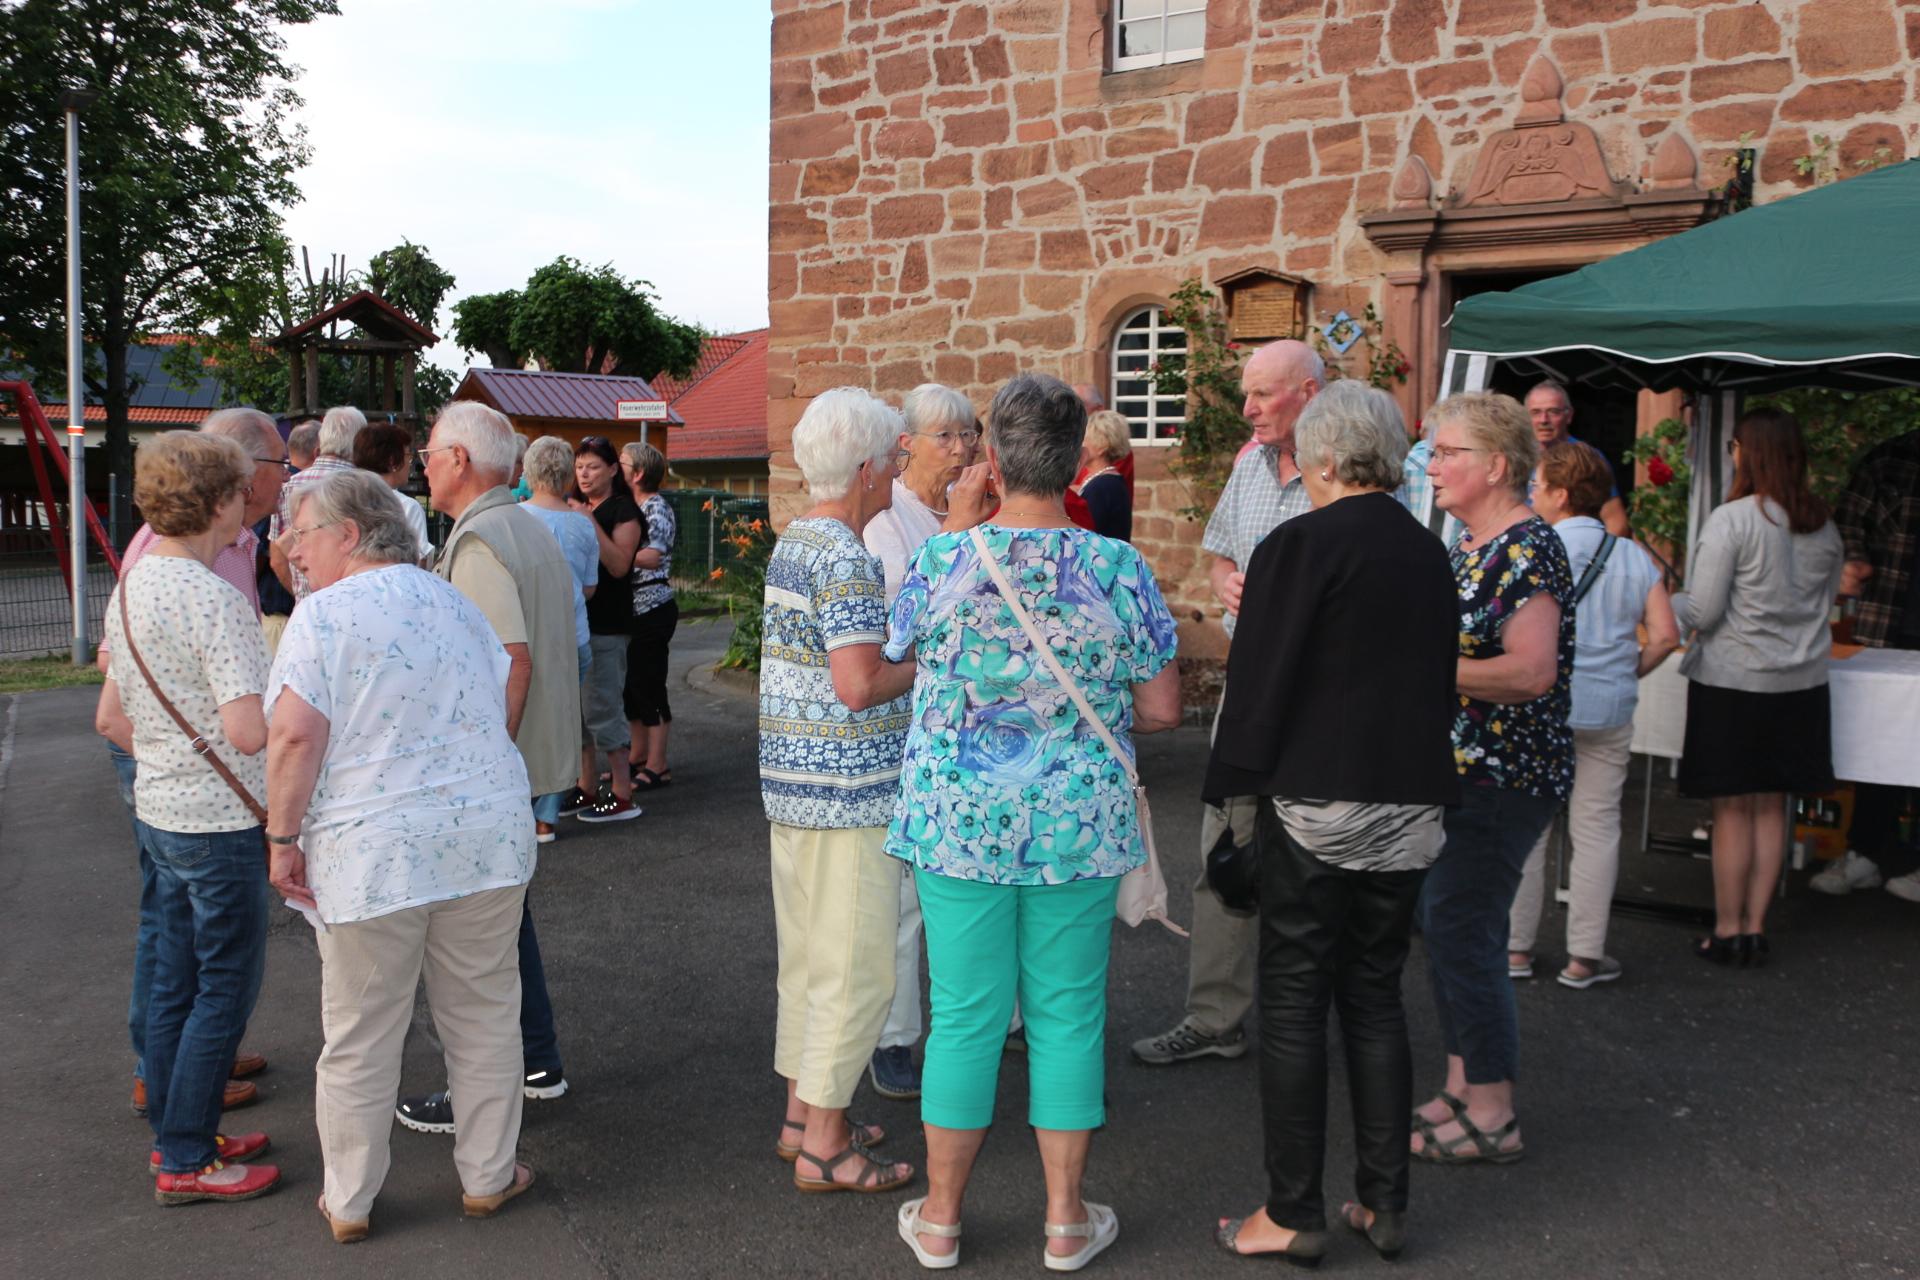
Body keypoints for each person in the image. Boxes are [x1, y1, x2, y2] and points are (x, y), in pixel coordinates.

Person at [889, 373, 1181, 1271]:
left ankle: (940, 1218)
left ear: (989, 457)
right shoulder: (1119, 567)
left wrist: (956, 522)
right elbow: (1164, 707)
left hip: (957, 824)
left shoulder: (941, 559)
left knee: (966, 1018)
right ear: (1076, 460)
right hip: (1077, 825)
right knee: (1065, 1017)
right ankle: (1063, 1219)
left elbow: (897, 647)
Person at [1205, 382, 1458, 1264]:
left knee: (1293, 1001)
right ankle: (1384, 1204)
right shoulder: (1430, 553)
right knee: (1377, 996)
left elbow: (1261, 681)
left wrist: (1228, 796)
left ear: (1319, 460)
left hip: (1318, 803)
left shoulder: (1299, 544)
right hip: (1414, 803)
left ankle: (1293, 1212)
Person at [265, 469, 538, 1241]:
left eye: (304, 532)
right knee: (483, 1016)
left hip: (374, 850)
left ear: (349, 534)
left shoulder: (320, 619)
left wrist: (283, 839)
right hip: (484, 839)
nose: (292, 548)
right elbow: (498, 689)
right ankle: (488, 1177)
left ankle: (349, 1200)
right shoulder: (454, 601)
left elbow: (292, 735)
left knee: (360, 1031)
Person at [93, 431, 279, 1206]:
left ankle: (181, 1133)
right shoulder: (215, 598)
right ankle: (187, 1158)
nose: (251, 504)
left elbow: (111, 716)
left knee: (175, 980)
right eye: (241, 491)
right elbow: (249, 731)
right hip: (220, 824)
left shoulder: (134, 584)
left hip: (161, 811)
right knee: (223, 988)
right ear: (217, 501)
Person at [393, 403, 585, 1137]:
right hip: (529, 755)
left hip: (496, 765)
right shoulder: (522, 527)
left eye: (433, 452)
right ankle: (536, 1064)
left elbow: (512, 660)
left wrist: (482, 762)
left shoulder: (480, 541)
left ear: (462, 460)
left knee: (473, 944)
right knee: (504, 924)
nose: (425, 464)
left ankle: (491, 1086)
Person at [1133, 337, 1323, 1067]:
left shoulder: (1346, 477)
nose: (1247, 409)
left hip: (1314, 700)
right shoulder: (1248, 463)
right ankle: (1215, 1020)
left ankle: (1304, 1027)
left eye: (1263, 395)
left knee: (1313, 863)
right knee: (1224, 850)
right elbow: (1217, 554)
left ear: (1308, 391)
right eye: (1247, 394)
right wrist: (1222, 581)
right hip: (1250, 692)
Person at [1409, 391, 1574, 1167]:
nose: (1432, 466)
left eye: (1447, 453)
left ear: (1497, 465)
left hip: (1504, 777)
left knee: (1462, 928)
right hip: (1465, 771)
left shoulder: (1527, 547)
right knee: (1447, 929)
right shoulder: (1470, 545)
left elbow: (1532, 670)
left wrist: (1425, 666)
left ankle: (1496, 1109)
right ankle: (1461, 1085)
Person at [760, 387, 917, 1196]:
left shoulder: (797, 541)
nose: (900, 468)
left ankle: (802, 1116)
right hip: (849, 792)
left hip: (795, 788)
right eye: (895, 455)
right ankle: (826, 1144)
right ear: (864, 468)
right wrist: (925, 662)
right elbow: (859, 685)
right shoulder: (847, 555)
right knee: (858, 970)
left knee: (811, 963)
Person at [1673, 408, 1845, 963]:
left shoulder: (1735, 519)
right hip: (1800, 685)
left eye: (1734, 446)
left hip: (1734, 682)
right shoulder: (1823, 523)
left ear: (1748, 452)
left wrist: (1662, 601)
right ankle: (1755, 927)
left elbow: (1702, 608)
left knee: (1732, 811)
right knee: (1774, 807)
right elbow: (1825, 607)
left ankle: (1727, 931)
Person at [1508, 442, 1679, 987]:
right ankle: (1585, 955)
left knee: (1529, 831)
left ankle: (1515, 949)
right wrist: (1627, 671)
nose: (1531, 493)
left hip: (1541, 702)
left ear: (1559, 494)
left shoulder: (1533, 548)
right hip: (1608, 707)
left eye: (1537, 485)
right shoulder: (1633, 556)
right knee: (1599, 828)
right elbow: (1666, 636)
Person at [859, 381, 982, 1102]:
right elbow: (907, 627)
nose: (963, 448)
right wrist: (957, 535)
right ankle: (896, 1035)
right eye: (947, 436)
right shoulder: (888, 524)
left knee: (984, 881)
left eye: (969, 434)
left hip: (977, 731)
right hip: (910, 732)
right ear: (905, 445)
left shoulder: (968, 513)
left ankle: (1001, 1017)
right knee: (905, 896)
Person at [1815, 427, 1920, 901]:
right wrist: (1854, 561)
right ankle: (1864, 854)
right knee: (1881, 745)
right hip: (1888, 621)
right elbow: (1848, 522)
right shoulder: (1891, 457)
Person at [558, 437, 644, 821]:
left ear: (613, 470)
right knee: (577, 711)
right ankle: (586, 785)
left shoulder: (623, 511)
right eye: (579, 467)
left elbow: (619, 565)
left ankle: (623, 792)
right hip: (576, 622)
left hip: (608, 626)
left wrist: (588, 521)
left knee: (603, 706)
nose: (584, 474)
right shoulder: (570, 507)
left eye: (593, 466)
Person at [519, 436, 600, 841]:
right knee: (562, 721)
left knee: (520, 719)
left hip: (523, 636)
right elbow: (588, 589)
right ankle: (546, 815)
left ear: (528, 471)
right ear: (569, 474)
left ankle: (519, 802)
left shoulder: (514, 519)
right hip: (573, 638)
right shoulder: (582, 525)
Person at [620, 441, 679, 790]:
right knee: (632, 687)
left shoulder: (655, 508)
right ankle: (637, 756)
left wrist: (612, 552)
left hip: (652, 607)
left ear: (638, 473)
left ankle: (658, 763)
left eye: (622, 463)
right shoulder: (631, 506)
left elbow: (652, 557)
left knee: (650, 683)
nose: (616, 467)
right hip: (632, 608)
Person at [272, 404, 365, 601]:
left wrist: (302, 595)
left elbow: (277, 560)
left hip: (304, 609)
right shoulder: (364, 488)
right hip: (350, 606)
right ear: (359, 441)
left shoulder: (287, 487)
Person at [1524, 380, 1629, 536]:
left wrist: (1593, 556)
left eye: (1553, 411)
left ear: (1569, 416)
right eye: (1535, 412)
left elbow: (1616, 522)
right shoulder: (1515, 457)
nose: (1544, 420)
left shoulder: (1587, 459)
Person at [351, 420, 433, 563]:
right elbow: (417, 563)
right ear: (392, 461)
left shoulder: (344, 500)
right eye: (408, 456)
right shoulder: (407, 507)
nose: (410, 463)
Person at [1076, 408, 1133, 541]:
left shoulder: (1102, 486)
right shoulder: (1106, 481)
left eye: (1085, 439)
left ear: (1102, 446)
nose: (1079, 444)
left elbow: (1086, 534)